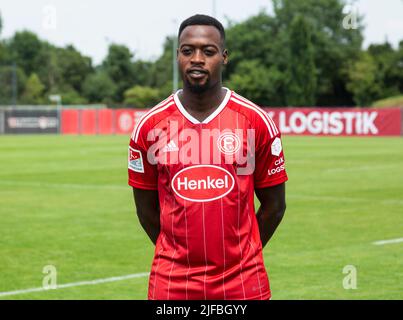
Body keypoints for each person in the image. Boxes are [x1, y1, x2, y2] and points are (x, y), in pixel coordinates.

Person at [128, 14, 288, 300]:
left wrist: (241, 256)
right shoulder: (150, 127)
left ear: (224, 57)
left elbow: (275, 206)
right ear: (177, 56)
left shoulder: (255, 121)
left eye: (208, 51)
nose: (197, 59)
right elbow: (146, 211)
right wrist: (179, 257)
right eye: (188, 51)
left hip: (243, 283)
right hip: (172, 285)